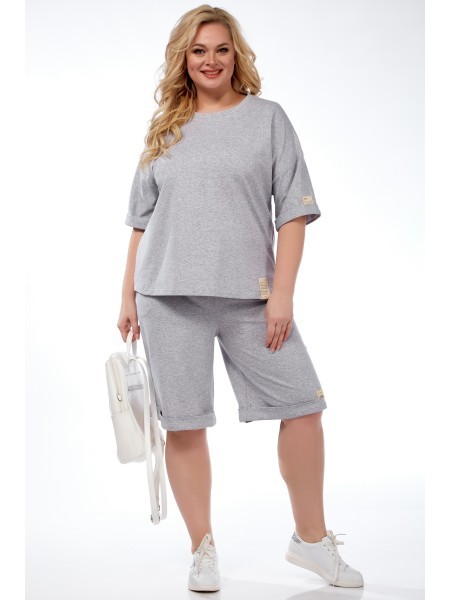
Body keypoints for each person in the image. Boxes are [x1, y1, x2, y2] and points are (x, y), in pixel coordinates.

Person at [117, 4, 364, 593]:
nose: (211, 61)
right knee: (185, 424)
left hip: (251, 297)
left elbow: (294, 213)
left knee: (303, 405)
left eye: (221, 49)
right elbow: (141, 222)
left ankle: (310, 539)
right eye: (198, 50)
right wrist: (127, 295)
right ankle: (201, 549)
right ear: (183, 58)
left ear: (236, 55)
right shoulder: (165, 128)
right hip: (166, 297)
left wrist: (282, 295)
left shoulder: (268, 120)